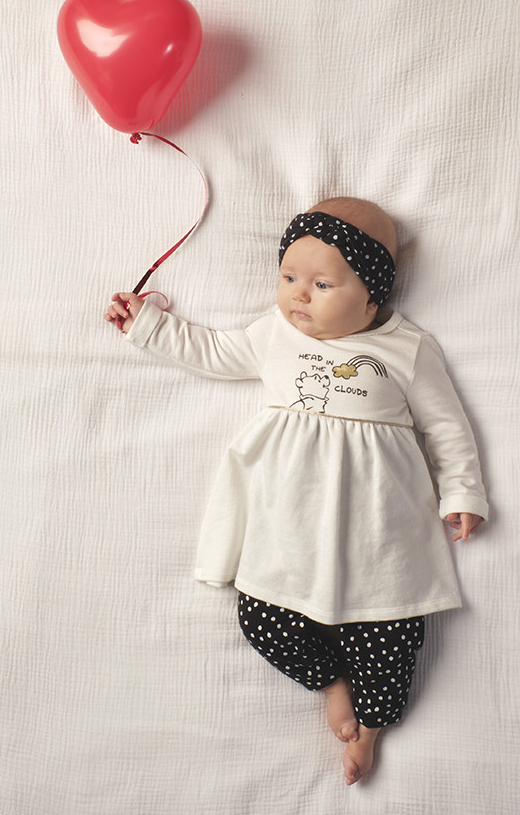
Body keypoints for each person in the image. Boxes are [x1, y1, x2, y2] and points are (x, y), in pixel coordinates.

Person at [104, 197, 488, 785]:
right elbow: (215, 351)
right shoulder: (275, 332)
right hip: (291, 528)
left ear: (371, 296)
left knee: (392, 635)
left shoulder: (407, 350)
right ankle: (332, 681)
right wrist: (147, 324)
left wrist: (461, 492)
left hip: (380, 538)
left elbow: (446, 427)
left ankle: (373, 724)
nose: (298, 295)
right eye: (288, 276)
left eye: (322, 283)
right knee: (262, 617)